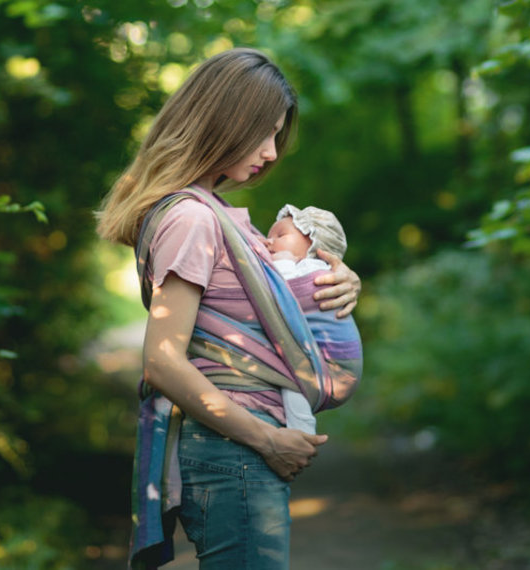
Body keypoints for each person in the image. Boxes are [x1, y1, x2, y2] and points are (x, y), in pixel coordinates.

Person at [94, 48, 363, 570]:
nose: (271, 151)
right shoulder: (192, 219)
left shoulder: (212, 213)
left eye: (277, 136)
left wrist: (340, 282)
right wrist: (269, 440)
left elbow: (272, 299)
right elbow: (162, 361)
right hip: (233, 449)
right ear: (223, 122)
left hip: (234, 450)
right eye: (262, 132)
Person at [264, 204, 355, 435]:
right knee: (292, 380)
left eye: (280, 235)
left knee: (296, 381)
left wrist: (282, 263)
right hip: (320, 363)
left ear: (314, 244)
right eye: (268, 236)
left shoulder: (314, 271)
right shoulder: (300, 267)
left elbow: (285, 293)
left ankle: (302, 431)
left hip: (334, 362)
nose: (268, 242)